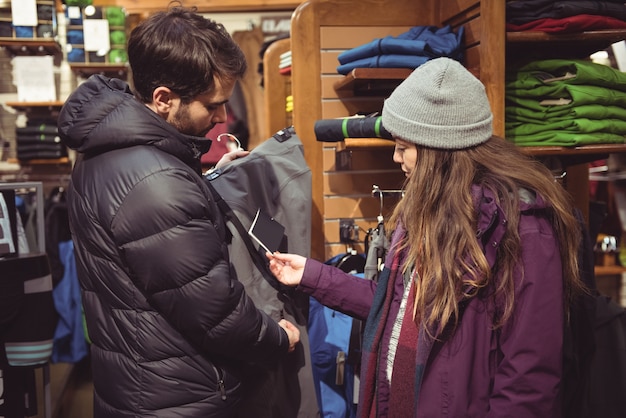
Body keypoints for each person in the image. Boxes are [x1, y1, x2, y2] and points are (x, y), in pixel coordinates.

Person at [268, 57, 587, 418]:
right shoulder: (428, 209)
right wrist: (312, 275)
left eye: (404, 147)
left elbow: (530, 378)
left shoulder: (522, 227)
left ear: (438, 149)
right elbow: (395, 305)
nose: (395, 157)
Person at [57, 4, 299, 417]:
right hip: (181, 399)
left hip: (142, 385)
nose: (223, 117)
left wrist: (203, 185)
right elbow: (216, 315)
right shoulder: (156, 182)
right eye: (213, 104)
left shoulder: (113, 151)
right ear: (164, 99)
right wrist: (279, 338)